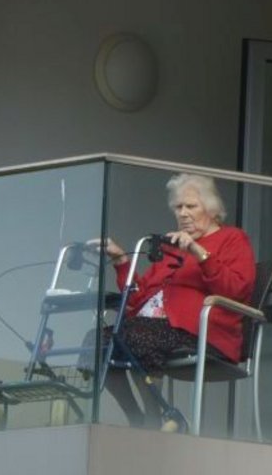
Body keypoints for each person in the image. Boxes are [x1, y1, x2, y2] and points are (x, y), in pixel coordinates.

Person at [96, 172, 255, 429]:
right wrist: (121, 262)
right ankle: (136, 418)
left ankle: (152, 416)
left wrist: (199, 252)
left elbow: (238, 289)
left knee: (137, 336)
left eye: (191, 206)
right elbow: (137, 299)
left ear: (212, 210)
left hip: (200, 331)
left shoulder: (232, 239)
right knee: (96, 344)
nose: (183, 213)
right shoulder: (172, 247)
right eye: (178, 207)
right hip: (152, 326)